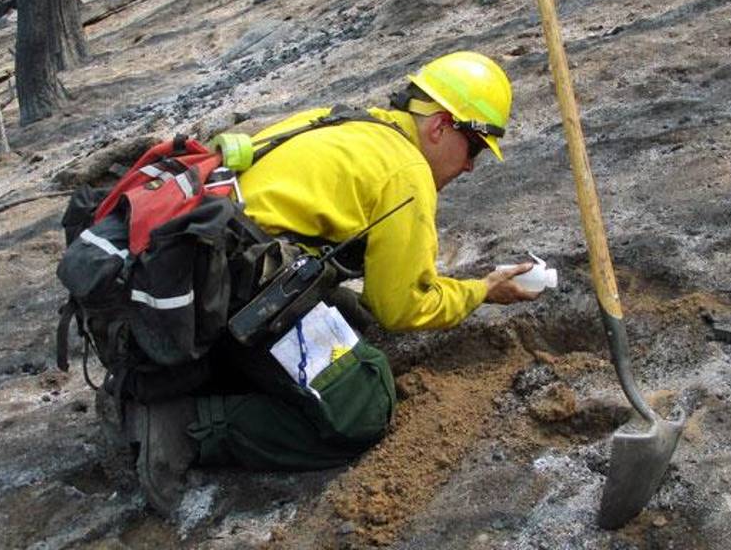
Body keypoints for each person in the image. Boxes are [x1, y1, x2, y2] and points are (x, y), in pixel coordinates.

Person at [111, 51, 542, 516]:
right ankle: (183, 424)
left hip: (191, 278)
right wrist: (481, 290)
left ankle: (183, 379)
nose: (471, 167)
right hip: (239, 295)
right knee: (367, 409)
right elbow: (402, 307)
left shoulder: (341, 121)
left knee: (350, 319)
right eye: (474, 148)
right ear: (440, 126)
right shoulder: (405, 171)